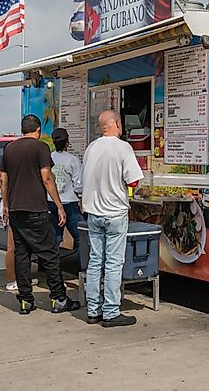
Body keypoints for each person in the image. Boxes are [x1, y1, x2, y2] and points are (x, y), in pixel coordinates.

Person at [0, 115, 80, 315]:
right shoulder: (41, 148)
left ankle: (26, 300)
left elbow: (3, 179)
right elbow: (46, 178)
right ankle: (59, 298)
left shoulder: (9, 149)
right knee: (50, 254)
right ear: (37, 130)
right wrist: (59, 206)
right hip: (36, 209)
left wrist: (6, 205)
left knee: (22, 255)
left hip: (16, 210)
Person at [82, 110, 143, 328]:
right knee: (114, 263)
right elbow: (134, 181)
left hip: (93, 214)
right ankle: (110, 312)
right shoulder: (123, 147)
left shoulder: (91, 147)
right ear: (117, 124)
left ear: (101, 127)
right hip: (115, 213)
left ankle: (92, 310)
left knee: (95, 261)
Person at [48, 128, 83, 253]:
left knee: (55, 238)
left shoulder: (49, 158)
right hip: (70, 204)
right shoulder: (72, 160)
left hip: (51, 203)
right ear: (67, 142)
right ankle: (81, 268)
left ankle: (52, 269)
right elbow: (78, 185)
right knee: (81, 237)